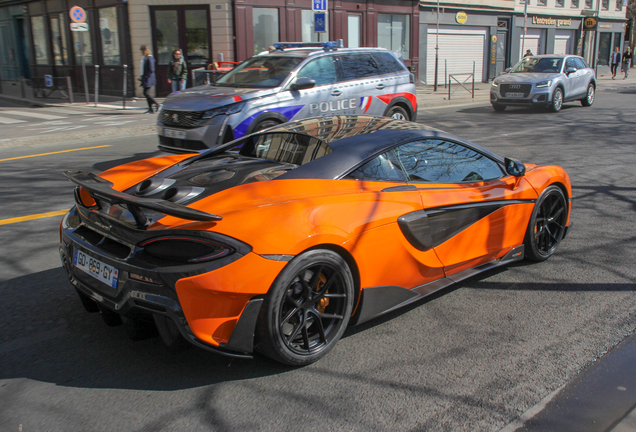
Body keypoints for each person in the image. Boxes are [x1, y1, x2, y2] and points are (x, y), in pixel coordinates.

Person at [139, 45, 159, 113]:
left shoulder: (149, 58)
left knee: (146, 93)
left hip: (148, 78)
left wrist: (146, 77)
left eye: (141, 51)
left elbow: (151, 69)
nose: (141, 52)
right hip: (146, 78)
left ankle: (156, 104)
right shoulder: (145, 58)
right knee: (146, 93)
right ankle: (150, 109)